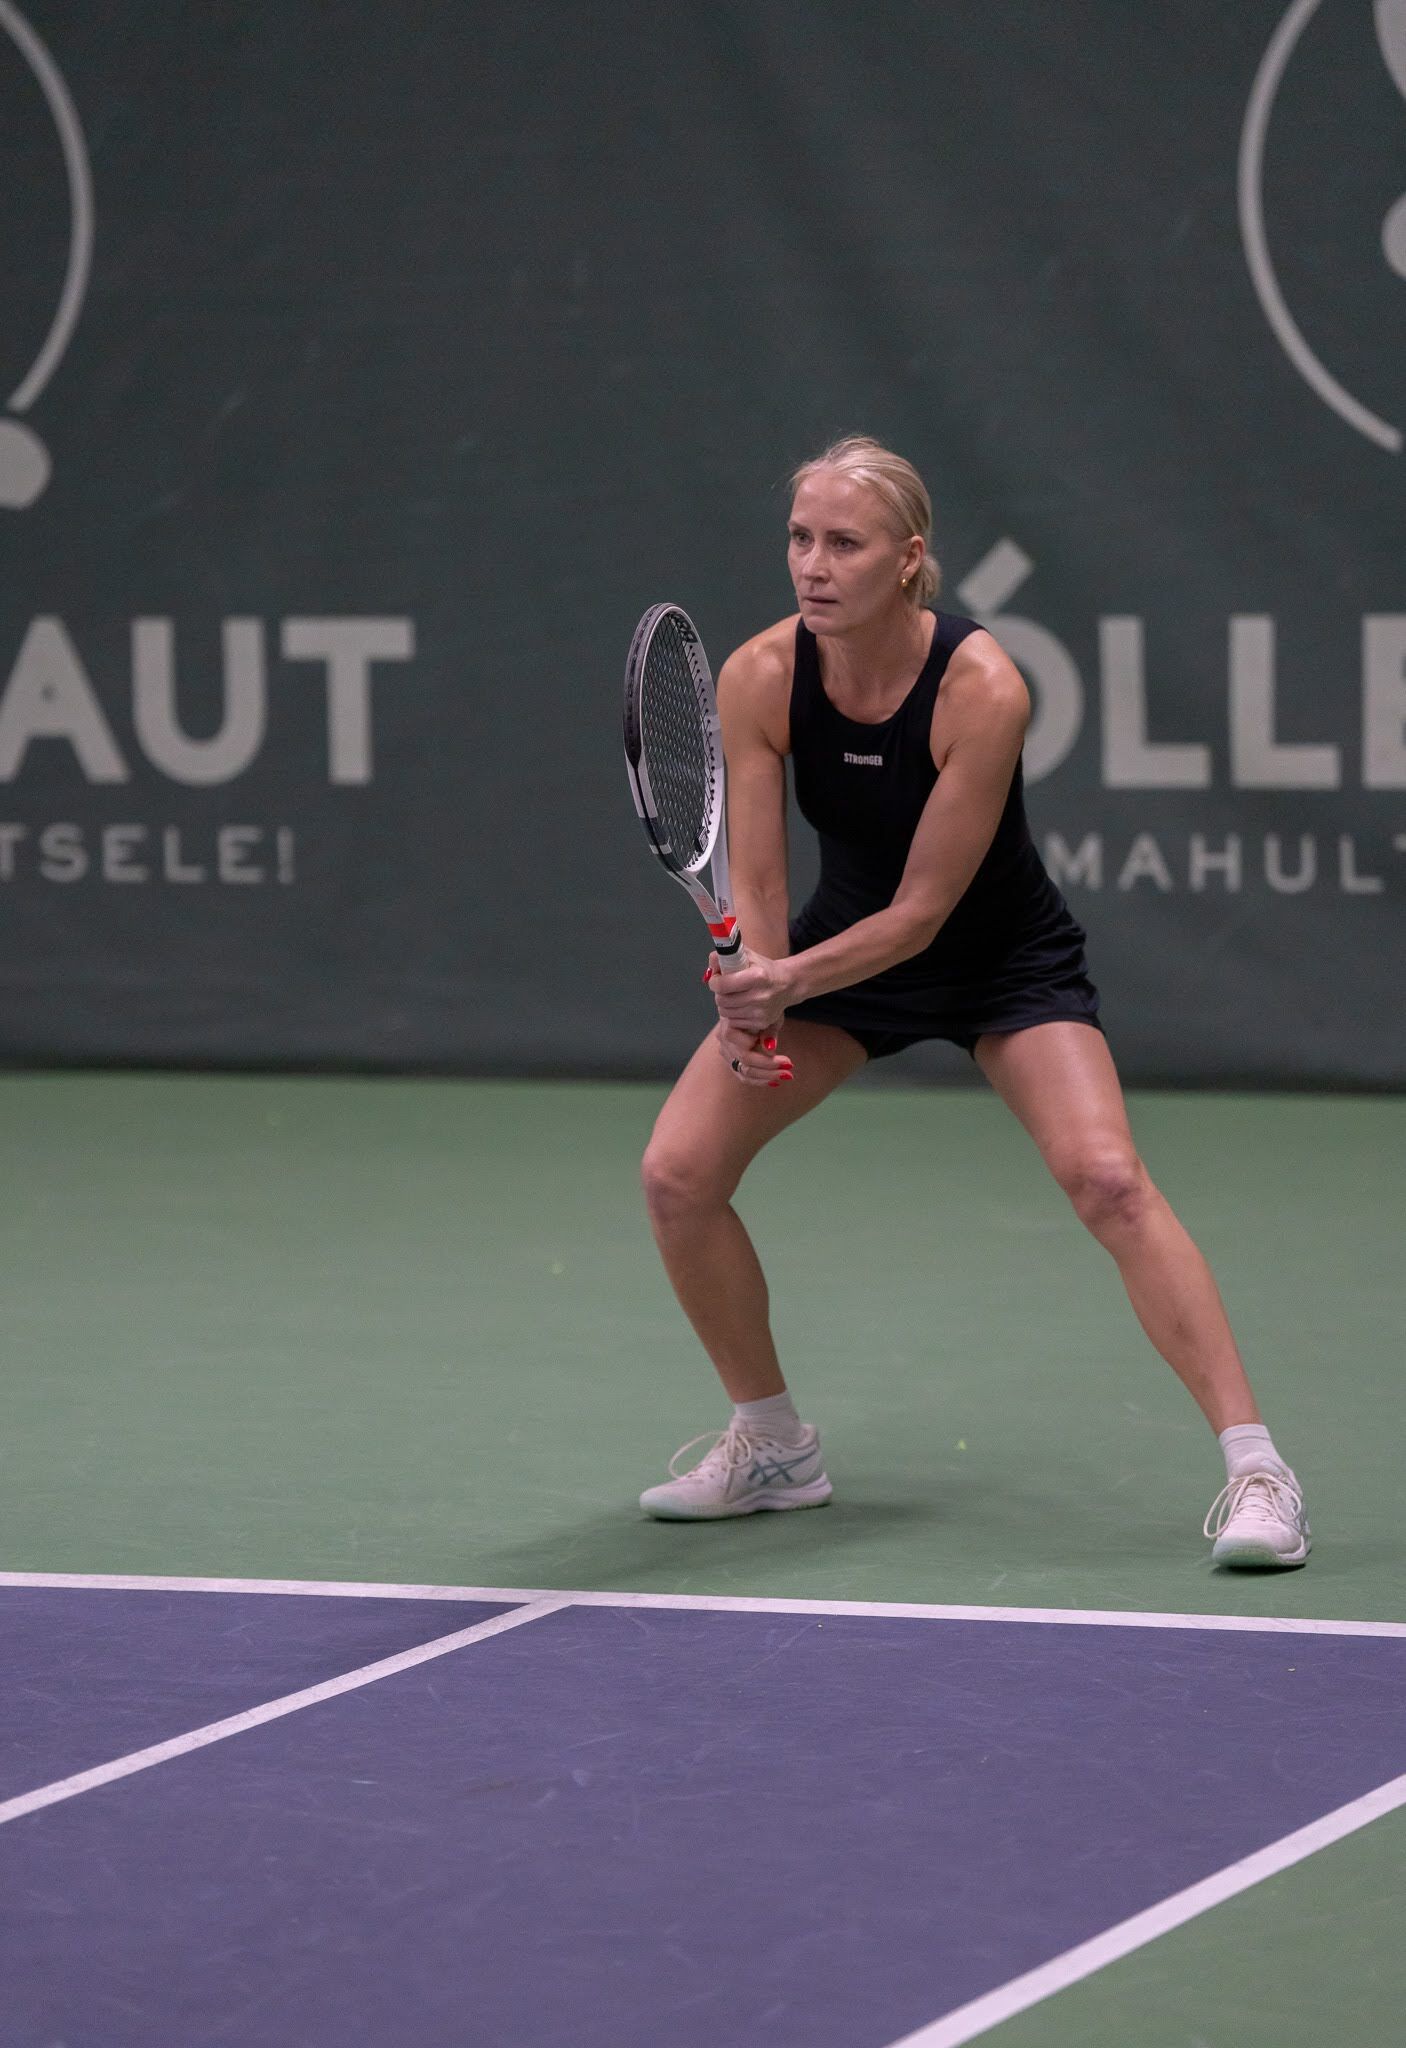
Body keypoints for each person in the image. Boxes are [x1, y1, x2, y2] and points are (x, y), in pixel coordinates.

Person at [637, 435, 1310, 1570]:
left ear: (909, 558)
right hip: (837, 959)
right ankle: (774, 1445)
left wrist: (789, 980)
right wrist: (751, 995)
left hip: (1000, 962)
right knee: (676, 1175)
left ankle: (1259, 1471)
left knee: (1107, 1180)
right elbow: (759, 886)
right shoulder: (758, 676)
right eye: (799, 538)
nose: (812, 565)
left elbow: (922, 913)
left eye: (843, 543)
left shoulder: (983, 685)